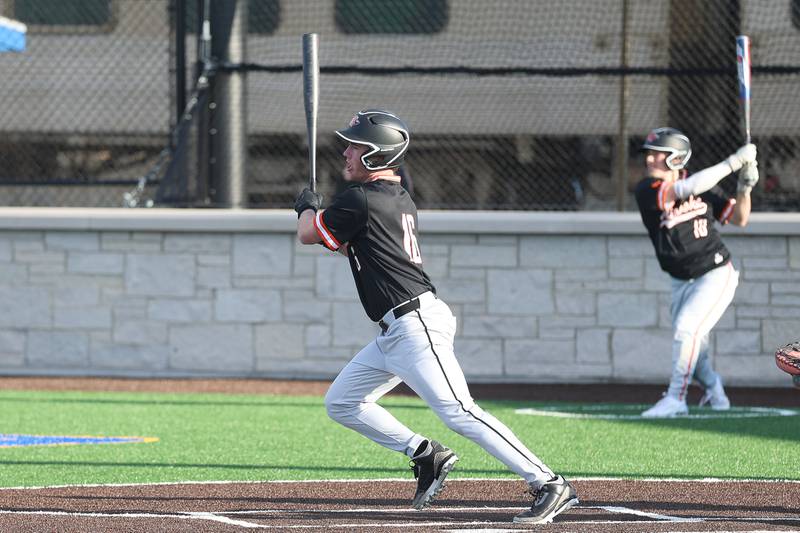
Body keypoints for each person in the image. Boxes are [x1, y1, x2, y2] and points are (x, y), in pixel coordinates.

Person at [294, 108, 578, 524]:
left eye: (355, 147)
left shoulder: (361, 199)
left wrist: (305, 207)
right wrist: (321, 219)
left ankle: (549, 483)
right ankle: (426, 453)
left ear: (376, 155)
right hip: (397, 329)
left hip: (415, 324)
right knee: (342, 402)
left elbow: (308, 234)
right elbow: (340, 244)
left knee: (459, 411)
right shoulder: (393, 197)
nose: (346, 153)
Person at [634, 127, 759, 418]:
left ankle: (676, 398)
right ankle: (715, 389)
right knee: (694, 346)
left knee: (687, 329)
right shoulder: (647, 189)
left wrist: (744, 187)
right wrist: (733, 163)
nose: (650, 159)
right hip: (680, 280)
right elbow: (683, 190)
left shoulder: (702, 186)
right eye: (650, 154)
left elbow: (740, 218)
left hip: (715, 272)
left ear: (676, 158)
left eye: (658, 154)